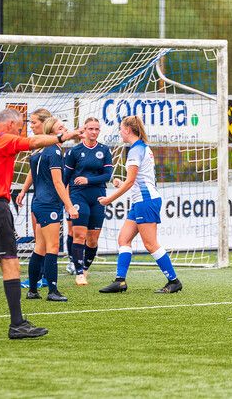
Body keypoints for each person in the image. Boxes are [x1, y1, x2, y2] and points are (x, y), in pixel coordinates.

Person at [0, 108, 81, 340]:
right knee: (10, 264)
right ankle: (17, 323)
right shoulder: (3, 139)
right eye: (20, 125)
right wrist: (64, 136)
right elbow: (34, 142)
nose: (22, 129)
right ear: (10, 124)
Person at [97, 115, 182, 294]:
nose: (120, 131)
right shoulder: (141, 148)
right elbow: (135, 181)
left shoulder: (136, 150)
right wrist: (123, 183)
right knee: (124, 239)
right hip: (141, 201)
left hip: (145, 201)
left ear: (128, 129)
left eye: (121, 128)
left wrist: (109, 199)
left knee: (150, 244)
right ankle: (120, 281)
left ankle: (174, 281)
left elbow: (131, 181)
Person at [17, 116, 79, 302]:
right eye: (61, 126)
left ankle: (33, 290)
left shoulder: (39, 152)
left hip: (38, 203)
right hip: (49, 204)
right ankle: (52, 290)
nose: (65, 128)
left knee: (40, 248)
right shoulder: (54, 151)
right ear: (53, 132)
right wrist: (69, 206)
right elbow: (58, 182)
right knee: (52, 247)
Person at [63, 117, 112, 285]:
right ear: (84, 130)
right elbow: (64, 178)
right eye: (90, 129)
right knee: (79, 235)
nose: (94, 132)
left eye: (96, 129)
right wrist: (65, 201)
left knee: (92, 240)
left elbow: (108, 175)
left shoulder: (104, 150)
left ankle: (85, 269)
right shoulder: (74, 151)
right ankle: (78, 273)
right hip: (78, 195)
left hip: (98, 196)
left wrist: (88, 180)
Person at [17, 108, 52, 289]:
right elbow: (34, 169)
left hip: (48, 200)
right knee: (40, 241)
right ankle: (40, 278)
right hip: (38, 197)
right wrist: (23, 190)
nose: (30, 126)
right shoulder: (38, 144)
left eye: (33, 122)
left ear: (44, 123)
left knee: (44, 241)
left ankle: (42, 278)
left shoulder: (51, 145)